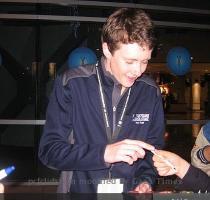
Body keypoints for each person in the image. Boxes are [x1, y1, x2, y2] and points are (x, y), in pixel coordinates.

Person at [39, 7, 165, 193]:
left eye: (144, 61)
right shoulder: (72, 84)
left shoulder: (150, 92)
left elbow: (153, 151)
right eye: (130, 61)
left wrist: (145, 180)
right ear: (107, 49)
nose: (138, 71)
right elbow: (50, 152)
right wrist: (104, 153)